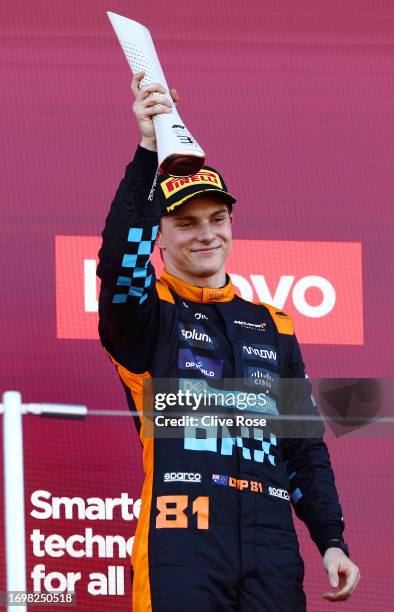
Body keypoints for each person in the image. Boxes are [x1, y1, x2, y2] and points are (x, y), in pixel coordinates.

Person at [97, 72, 360, 612]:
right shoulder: (150, 316)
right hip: (183, 541)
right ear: (161, 235)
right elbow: (120, 265)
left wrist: (331, 539)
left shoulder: (273, 325)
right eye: (187, 223)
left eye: (217, 219)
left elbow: (302, 448)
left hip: (271, 547)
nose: (207, 234)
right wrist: (149, 149)